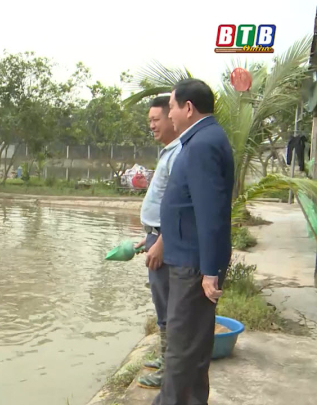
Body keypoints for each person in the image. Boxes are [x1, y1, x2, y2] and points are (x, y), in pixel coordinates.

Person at [154, 79, 234, 405]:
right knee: (193, 348)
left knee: (182, 349)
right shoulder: (202, 139)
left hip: (192, 265)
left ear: (188, 108)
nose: (169, 114)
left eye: (172, 107)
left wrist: (210, 271)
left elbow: (210, 212)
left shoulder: (201, 144)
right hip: (189, 260)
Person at [133, 95, 181, 389]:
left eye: (156, 119)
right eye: (149, 121)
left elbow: (179, 205)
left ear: (171, 118)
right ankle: (165, 359)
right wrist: (150, 236)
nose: (152, 125)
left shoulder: (178, 153)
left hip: (166, 239)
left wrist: (161, 241)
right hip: (157, 234)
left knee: (168, 304)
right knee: (161, 301)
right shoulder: (168, 152)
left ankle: (169, 370)